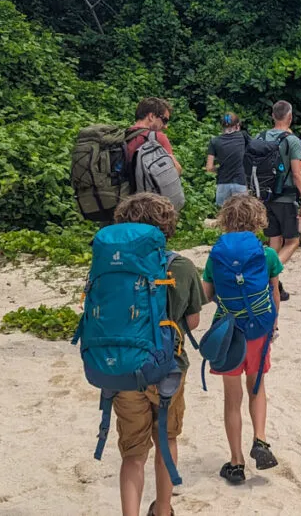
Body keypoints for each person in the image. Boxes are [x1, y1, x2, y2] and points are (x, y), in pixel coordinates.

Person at [110, 194, 204, 516]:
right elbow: (193, 321)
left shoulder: (111, 266)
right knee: (166, 441)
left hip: (123, 371)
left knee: (133, 455)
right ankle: (163, 509)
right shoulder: (181, 266)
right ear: (166, 228)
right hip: (168, 370)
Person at [202, 195, 282, 486]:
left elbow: (207, 295)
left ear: (225, 220)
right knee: (257, 388)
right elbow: (274, 295)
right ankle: (260, 439)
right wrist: (272, 326)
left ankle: (236, 462)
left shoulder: (215, 256)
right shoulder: (267, 255)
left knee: (231, 399)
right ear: (257, 221)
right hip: (258, 331)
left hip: (228, 335)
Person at [259, 101, 301, 266]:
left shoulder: (260, 137)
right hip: (286, 197)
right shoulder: (292, 140)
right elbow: (297, 173)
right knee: (292, 241)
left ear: (273, 116)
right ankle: (267, 275)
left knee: (274, 241)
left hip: (265, 196)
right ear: (289, 117)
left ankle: (272, 284)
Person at [127, 98, 183, 175]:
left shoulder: (124, 135)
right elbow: (175, 170)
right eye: (164, 120)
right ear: (151, 116)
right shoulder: (158, 137)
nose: (165, 126)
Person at [206, 112, 249, 206]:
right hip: (240, 182)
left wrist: (219, 170)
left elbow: (209, 167)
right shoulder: (243, 136)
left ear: (221, 126)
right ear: (237, 126)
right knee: (243, 216)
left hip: (223, 183)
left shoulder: (214, 141)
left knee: (224, 217)